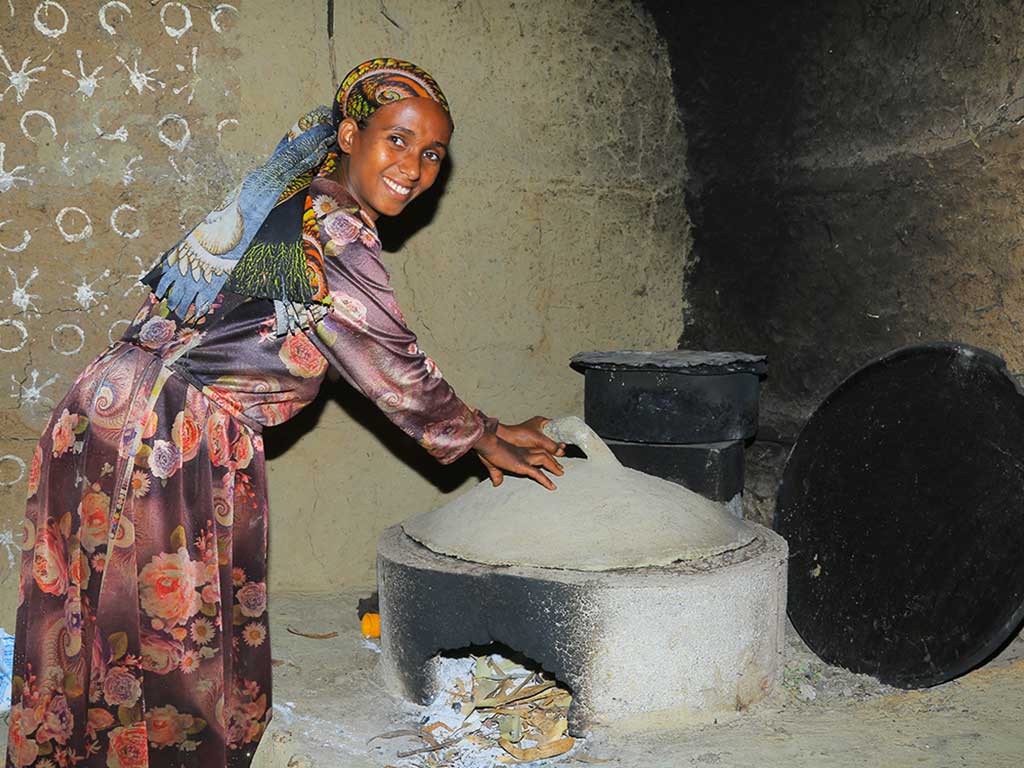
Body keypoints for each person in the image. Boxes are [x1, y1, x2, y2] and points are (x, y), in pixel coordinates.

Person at [7, 58, 564, 768]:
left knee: (105, 632)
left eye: (431, 155)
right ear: (352, 135)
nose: (415, 167)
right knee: (169, 648)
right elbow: (389, 359)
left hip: (108, 415)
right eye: (397, 141)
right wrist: (481, 434)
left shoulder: (292, 206)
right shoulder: (328, 226)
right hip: (164, 436)